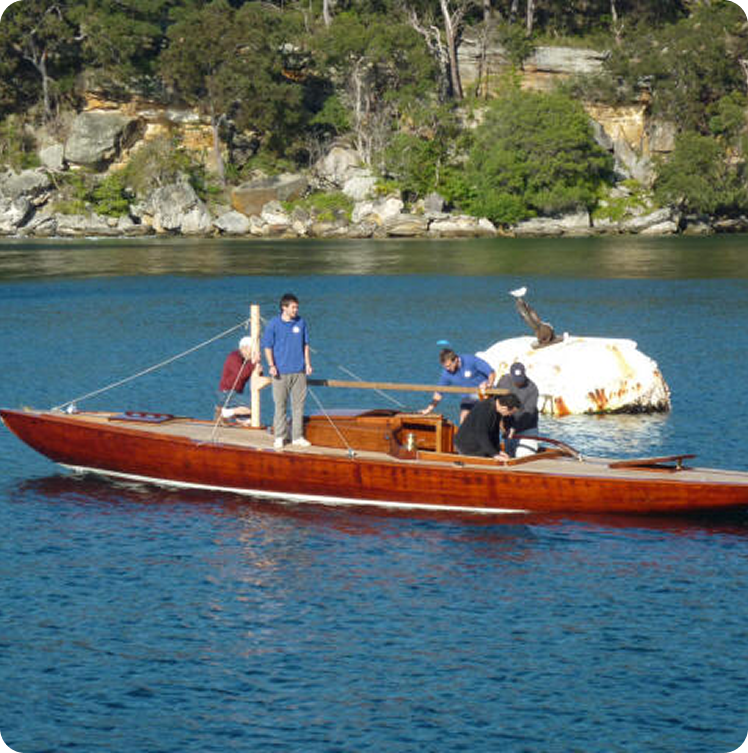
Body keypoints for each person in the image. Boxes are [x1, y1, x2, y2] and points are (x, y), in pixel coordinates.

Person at [261, 292, 312, 449]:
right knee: (280, 406)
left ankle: (297, 436)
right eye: (293, 307)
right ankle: (279, 437)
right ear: (284, 307)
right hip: (280, 372)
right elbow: (267, 347)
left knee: (298, 406)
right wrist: (271, 365)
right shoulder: (274, 324)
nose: (296, 310)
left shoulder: (301, 322)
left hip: (299, 371)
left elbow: (306, 345)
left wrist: (308, 364)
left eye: (297, 307)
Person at [421, 348, 496, 424]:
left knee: (493, 419)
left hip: (485, 394)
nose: (447, 369)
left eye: (449, 366)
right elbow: (439, 393)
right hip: (468, 398)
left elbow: (491, 373)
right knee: (463, 418)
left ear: (456, 360)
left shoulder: (470, 360)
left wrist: (489, 384)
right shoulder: (446, 373)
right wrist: (429, 409)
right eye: (445, 367)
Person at [454, 393, 522, 459]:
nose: (509, 415)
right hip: (467, 444)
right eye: (510, 413)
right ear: (504, 408)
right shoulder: (485, 409)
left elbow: (494, 433)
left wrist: (498, 451)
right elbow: (481, 434)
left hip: (479, 442)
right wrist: (494, 454)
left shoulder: (497, 408)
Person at [497, 361, 539, 456]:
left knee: (523, 456)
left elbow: (528, 414)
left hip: (527, 429)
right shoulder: (504, 381)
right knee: (509, 456)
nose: (518, 383)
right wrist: (500, 424)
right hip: (507, 430)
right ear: (511, 375)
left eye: (521, 379)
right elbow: (495, 401)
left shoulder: (532, 389)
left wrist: (514, 428)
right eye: (516, 380)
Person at [215, 336, 260, 425]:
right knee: (253, 406)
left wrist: (259, 371)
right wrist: (253, 364)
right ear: (244, 348)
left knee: (249, 420)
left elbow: (251, 375)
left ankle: (231, 414)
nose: (253, 353)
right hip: (227, 393)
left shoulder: (246, 360)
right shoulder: (234, 357)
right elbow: (242, 374)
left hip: (236, 394)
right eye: (251, 350)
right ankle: (225, 413)